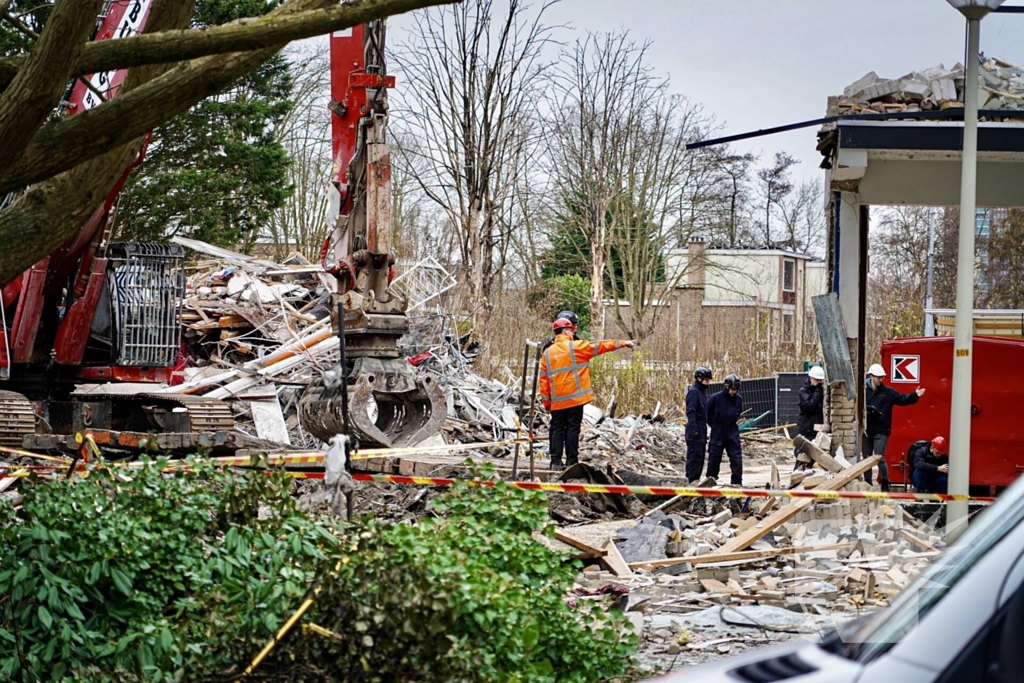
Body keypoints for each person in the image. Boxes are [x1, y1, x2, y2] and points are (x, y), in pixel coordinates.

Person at [539, 318, 634, 470]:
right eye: (571, 330)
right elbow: (600, 346)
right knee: (573, 429)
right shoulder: (576, 347)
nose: (573, 333)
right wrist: (623, 343)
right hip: (575, 399)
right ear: (566, 331)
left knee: (557, 429)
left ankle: (555, 462)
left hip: (557, 401)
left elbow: (543, 381)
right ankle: (571, 462)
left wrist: (547, 403)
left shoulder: (547, 353)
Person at [863, 363, 925, 491]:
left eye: (882, 377)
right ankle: (867, 483)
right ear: (871, 376)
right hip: (866, 429)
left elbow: (903, 399)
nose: (881, 379)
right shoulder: (863, 391)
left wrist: (915, 395)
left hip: (882, 430)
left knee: (879, 457)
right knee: (866, 459)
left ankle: (885, 483)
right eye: (878, 377)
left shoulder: (888, 392)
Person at [706, 374, 744, 486]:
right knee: (714, 459)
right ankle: (710, 482)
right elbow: (707, 414)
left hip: (732, 431)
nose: (733, 392)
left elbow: (738, 413)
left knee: (736, 459)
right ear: (726, 387)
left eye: (735, 390)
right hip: (718, 431)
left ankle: (736, 483)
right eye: (732, 389)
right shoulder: (715, 398)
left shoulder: (738, 399)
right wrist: (714, 425)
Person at [685, 366, 713, 482]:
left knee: (699, 460)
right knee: (694, 460)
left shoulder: (701, 393)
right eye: (706, 380)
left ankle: (695, 483)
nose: (708, 383)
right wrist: (694, 429)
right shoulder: (694, 393)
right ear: (699, 379)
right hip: (695, 432)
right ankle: (690, 484)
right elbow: (691, 412)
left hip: (701, 431)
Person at [794, 366, 826, 469]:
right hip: (806, 429)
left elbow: (822, 408)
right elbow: (809, 407)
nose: (819, 383)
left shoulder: (821, 391)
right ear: (811, 378)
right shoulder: (803, 391)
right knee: (802, 455)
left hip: (817, 428)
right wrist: (818, 392)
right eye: (817, 380)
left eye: (820, 380)